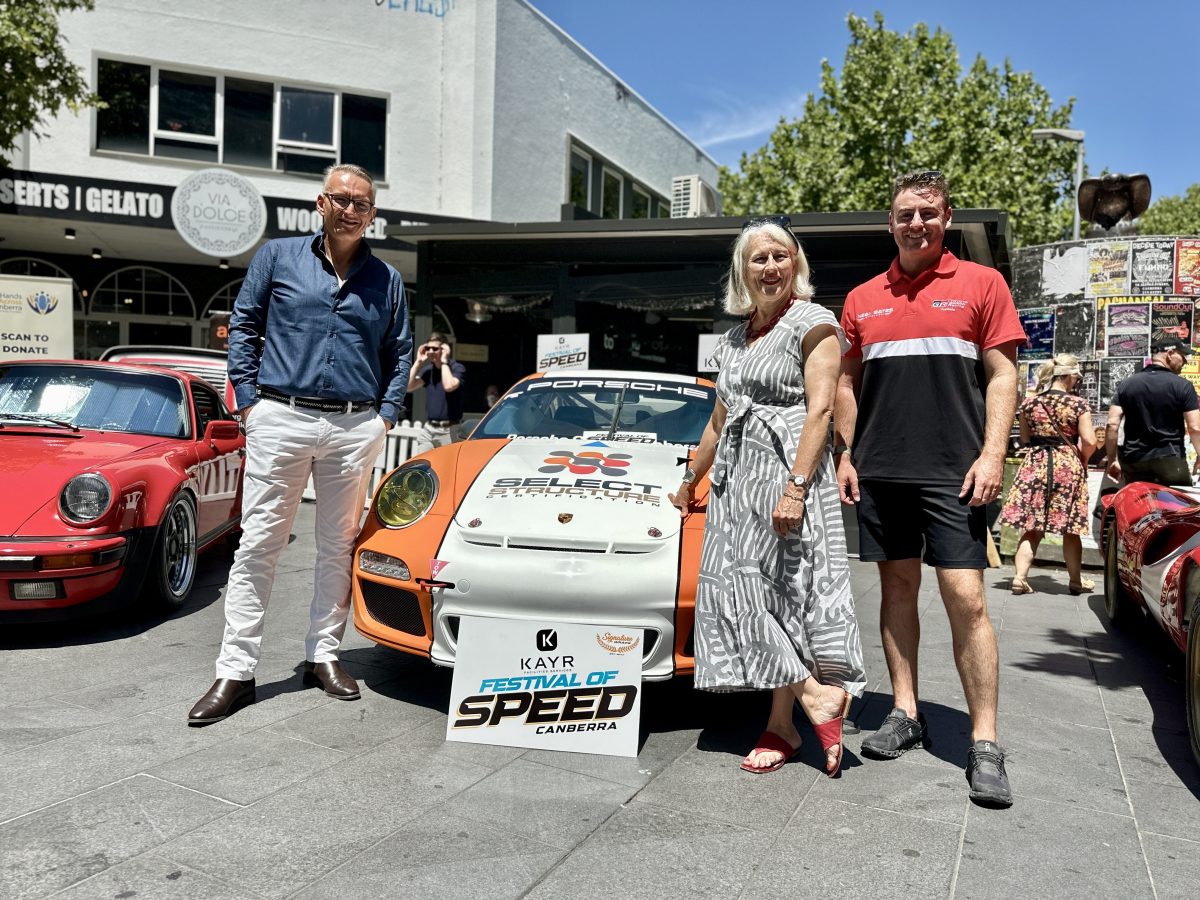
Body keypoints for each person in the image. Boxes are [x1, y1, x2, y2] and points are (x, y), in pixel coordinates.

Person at [188, 164, 412, 725]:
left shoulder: (386, 281)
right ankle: (235, 671)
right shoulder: (278, 257)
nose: (350, 209)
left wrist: (384, 416)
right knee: (259, 543)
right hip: (280, 417)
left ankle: (324, 655)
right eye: (340, 198)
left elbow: (400, 352)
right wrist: (247, 400)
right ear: (320, 203)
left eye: (362, 202)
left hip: (353, 426)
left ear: (372, 214)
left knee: (337, 546)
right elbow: (244, 323)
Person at [835, 170, 1026, 807]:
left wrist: (993, 453)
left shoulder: (983, 284)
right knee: (896, 589)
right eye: (904, 214)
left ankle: (986, 743)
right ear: (889, 223)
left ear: (945, 218)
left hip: (956, 470)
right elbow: (845, 384)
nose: (915, 223)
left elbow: (1003, 376)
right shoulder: (862, 298)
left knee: (966, 597)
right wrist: (846, 452)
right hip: (882, 469)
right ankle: (906, 714)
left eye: (927, 212)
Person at [668, 216, 865, 778]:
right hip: (735, 483)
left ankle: (797, 709)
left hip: (785, 474)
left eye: (781, 256)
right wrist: (689, 481)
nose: (771, 266)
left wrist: (797, 488)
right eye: (759, 258)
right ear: (742, 270)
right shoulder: (734, 337)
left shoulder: (813, 322)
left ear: (796, 265)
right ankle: (800, 709)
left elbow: (822, 409)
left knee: (775, 596)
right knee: (743, 596)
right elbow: (718, 419)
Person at [999, 355, 1097, 595]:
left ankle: (1019, 578)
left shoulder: (1030, 404)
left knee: (1032, 526)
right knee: (1071, 527)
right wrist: (1082, 457)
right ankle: (1075, 580)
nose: (1077, 381)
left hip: (1036, 463)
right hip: (1067, 463)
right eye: (1076, 377)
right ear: (1067, 376)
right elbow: (1091, 440)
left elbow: (1023, 439)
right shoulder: (1078, 404)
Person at [1105, 338, 1200, 486]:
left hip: (1134, 460)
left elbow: (1112, 423)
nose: (1185, 361)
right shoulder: (1183, 386)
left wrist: (1112, 460)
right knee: (1175, 506)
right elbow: (1195, 428)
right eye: (1183, 356)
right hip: (1169, 459)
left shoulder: (1127, 384)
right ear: (1170, 353)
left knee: (1139, 505)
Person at [408, 332, 466, 453]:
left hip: (449, 430)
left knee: (446, 468)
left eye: (434, 348)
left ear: (444, 349)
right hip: (429, 430)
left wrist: (444, 361)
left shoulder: (457, 368)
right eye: (428, 348)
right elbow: (408, 387)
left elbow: (449, 386)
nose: (430, 351)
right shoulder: (428, 370)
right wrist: (418, 361)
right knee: (422, 463)